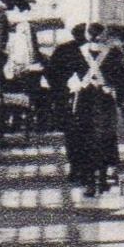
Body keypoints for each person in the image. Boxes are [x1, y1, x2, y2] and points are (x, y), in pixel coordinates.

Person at [68, 23, 124, 197]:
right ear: (103, 35)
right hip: (103, 98)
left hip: (84, 98)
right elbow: (121, 77)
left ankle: (89, 182)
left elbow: (70, 75)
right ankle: (101, 179)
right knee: (104, 137)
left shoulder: (78, 52)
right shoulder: (114, 52)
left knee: (85, 138)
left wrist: (78, 84)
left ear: (88, 35)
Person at [45, 24, 88, 174]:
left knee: (72, 133)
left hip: (68, 97)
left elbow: (50, 73)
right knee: (85, 133)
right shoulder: (92, 50)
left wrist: (60, 91)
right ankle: (84, 167)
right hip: (83, 97)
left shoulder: (63, 49)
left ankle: (76, 167)